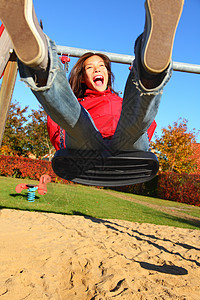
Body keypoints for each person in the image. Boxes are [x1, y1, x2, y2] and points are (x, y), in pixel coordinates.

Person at [0, 0, 184, 156]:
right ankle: (40, 62)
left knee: (133, 125)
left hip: (126, 145)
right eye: (90, 67)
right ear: (82, 77)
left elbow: (146, 121)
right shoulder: (75, 104)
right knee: (78, 124)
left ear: (108, 74)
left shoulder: (122, 102)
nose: (97, 70)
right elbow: (57, 123)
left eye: (102, 66)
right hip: (86, 143)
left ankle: (150, 68)